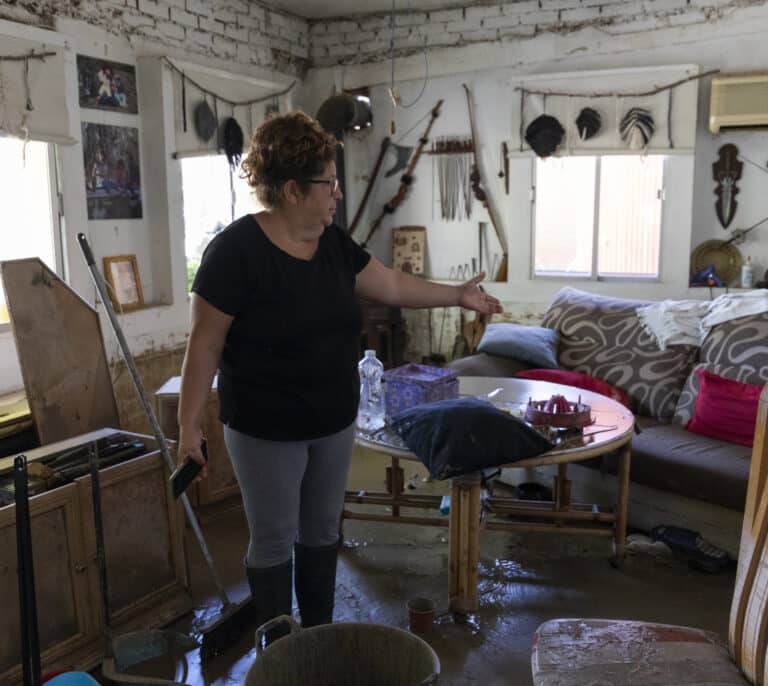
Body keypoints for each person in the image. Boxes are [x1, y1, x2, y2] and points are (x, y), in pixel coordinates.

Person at [176, 110, 502, 642]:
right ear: (291, 190)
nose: (337, 195)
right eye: (328, 184)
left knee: (322, 532)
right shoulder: (234, 254)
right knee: (276, 539)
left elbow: (392, 286)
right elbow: (204, 343)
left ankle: (319, 641)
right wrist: (189, 424)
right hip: (265, 426)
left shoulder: (331, 243)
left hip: (332, 420)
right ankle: (280, 652)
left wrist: (457, 294)